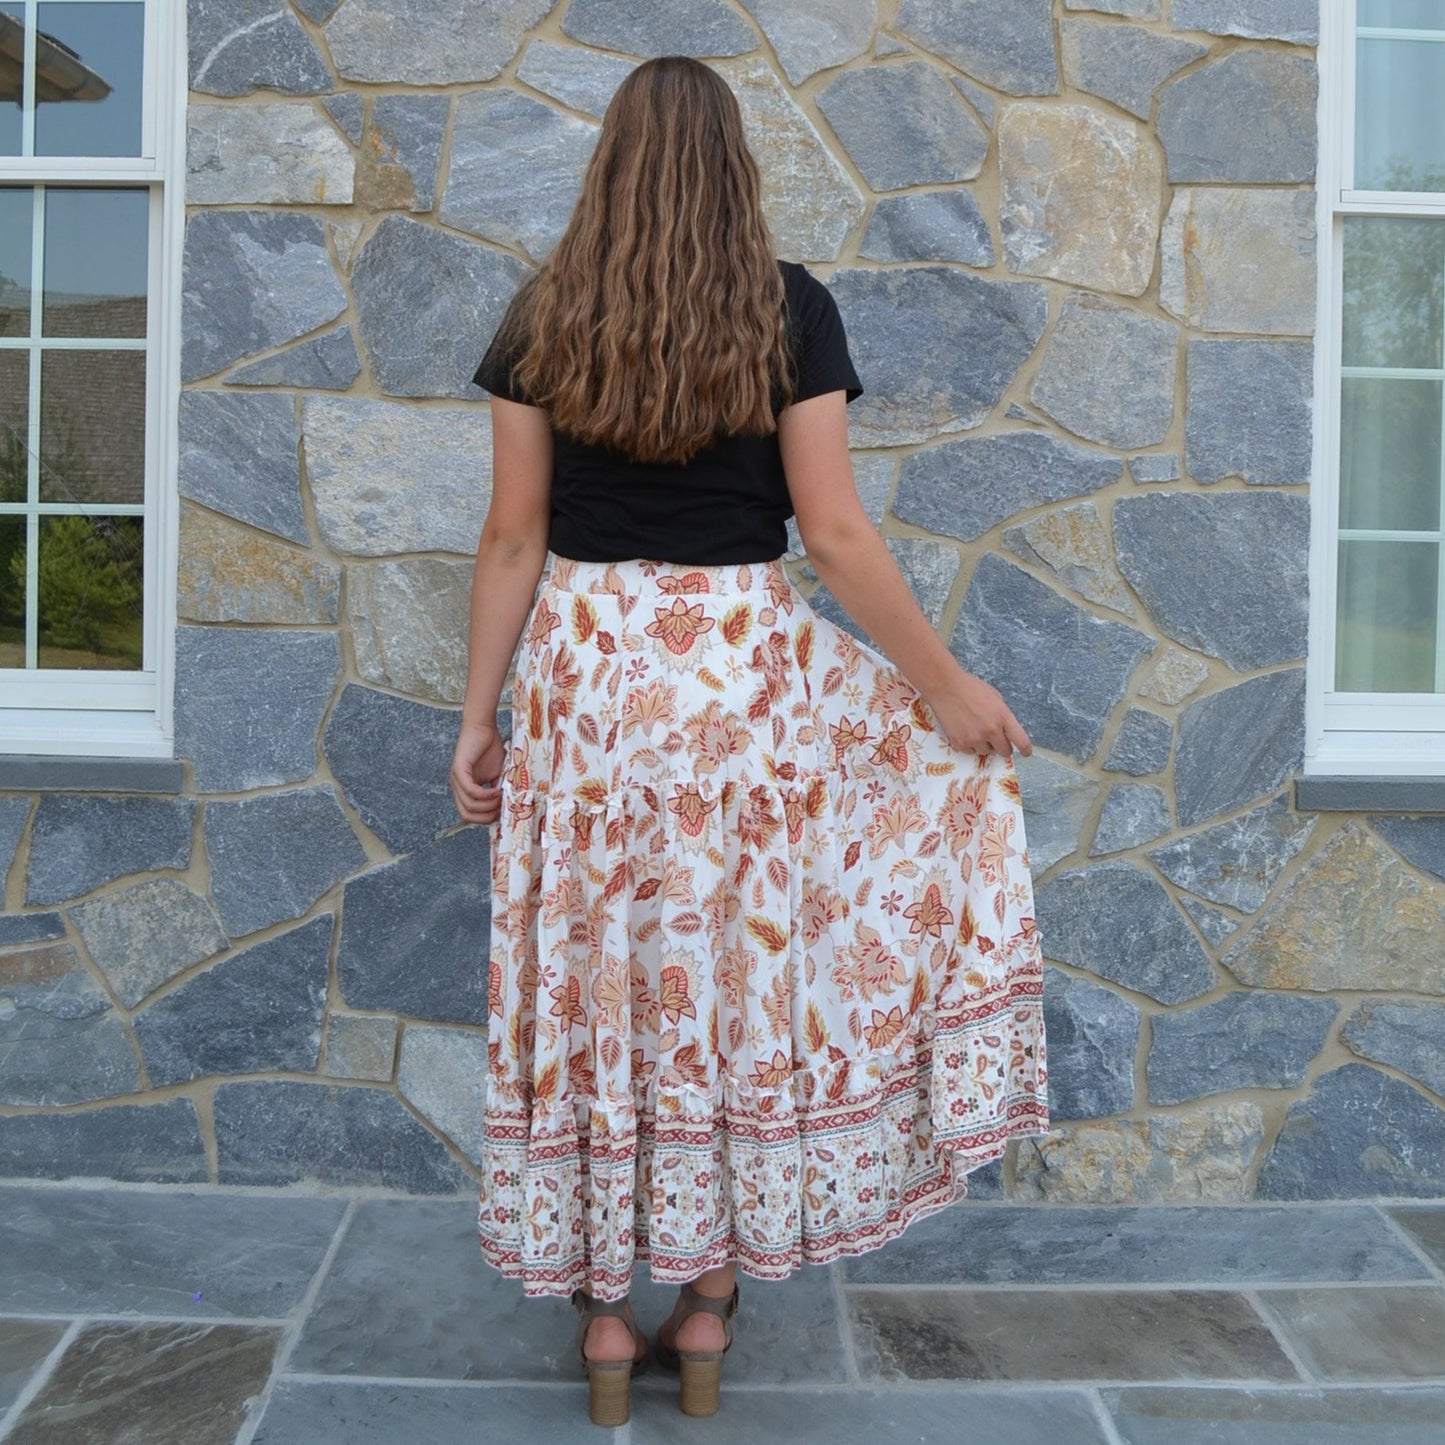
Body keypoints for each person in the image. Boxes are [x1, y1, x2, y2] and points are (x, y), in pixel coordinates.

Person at [451, 54, 1051, 1428]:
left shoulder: (545, 310)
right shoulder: (787, 307)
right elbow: (831, 533)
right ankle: (707, 1299)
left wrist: (481, 716)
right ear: (736, 164)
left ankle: (604, 1316)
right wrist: (945, 685)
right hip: (736, 684)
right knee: (727, 975)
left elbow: (509, 536)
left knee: (597, 979)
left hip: (587, 682)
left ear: (607, 163)